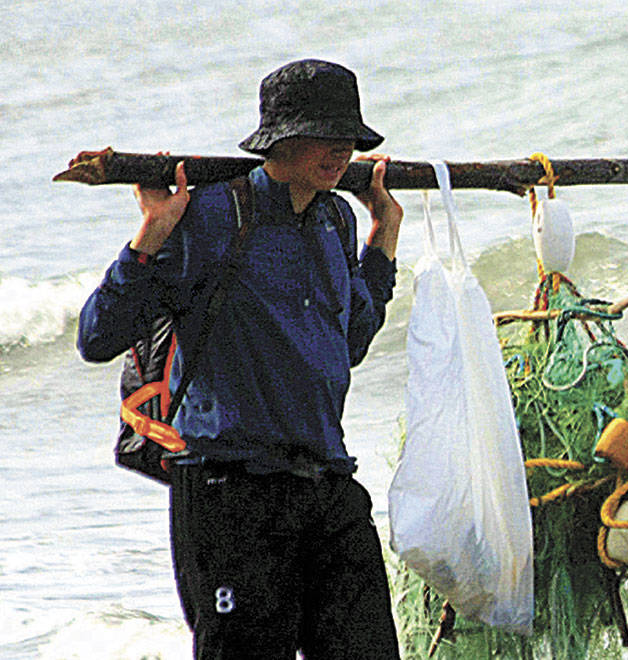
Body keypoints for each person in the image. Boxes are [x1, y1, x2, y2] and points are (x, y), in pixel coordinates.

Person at [78, 59, 404, 660]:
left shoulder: (336, 218)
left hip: (328, 487)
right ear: (279, 138)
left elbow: (348, 344)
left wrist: (382, 237)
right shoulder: (210, 217)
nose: (339, 149)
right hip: (232, 494)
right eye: (323, 134)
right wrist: (152, 233)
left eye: (347, 136)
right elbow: (98, 337)